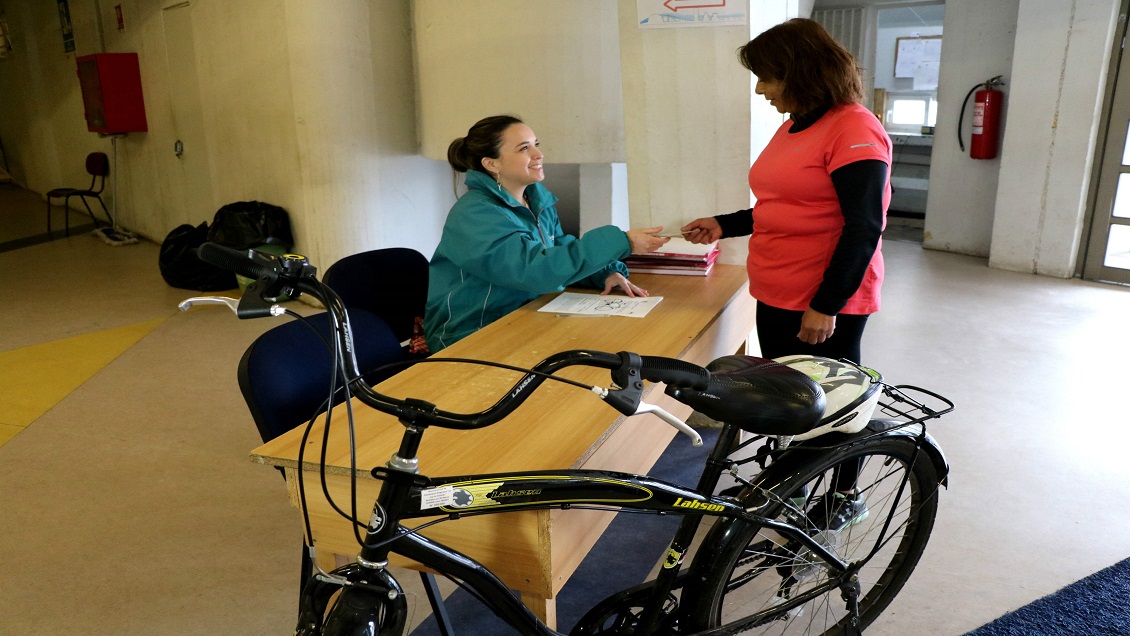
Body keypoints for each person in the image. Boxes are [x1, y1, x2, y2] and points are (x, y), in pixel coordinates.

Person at [682, 19, 891, 531]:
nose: (760, 89)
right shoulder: (795, 122)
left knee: (834, 402)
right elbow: (784, 205)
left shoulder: (854, 128)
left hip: (821, 296)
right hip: (777, 286)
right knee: (793, 399)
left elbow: (864, 225)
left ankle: (844, 495)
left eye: (767, 77)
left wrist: (828, 303)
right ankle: (791, 487)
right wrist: (725, 224)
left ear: (800, 72)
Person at [425, 115, 670, 352]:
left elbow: (556, 249)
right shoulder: (475, 214)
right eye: (524, 148)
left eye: (536, 145)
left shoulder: (534, 200)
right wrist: (622, 241)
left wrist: (605, 272)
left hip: (522, 319)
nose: (538, 154)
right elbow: (533, 270)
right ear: (491, 163)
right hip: (472, 334)